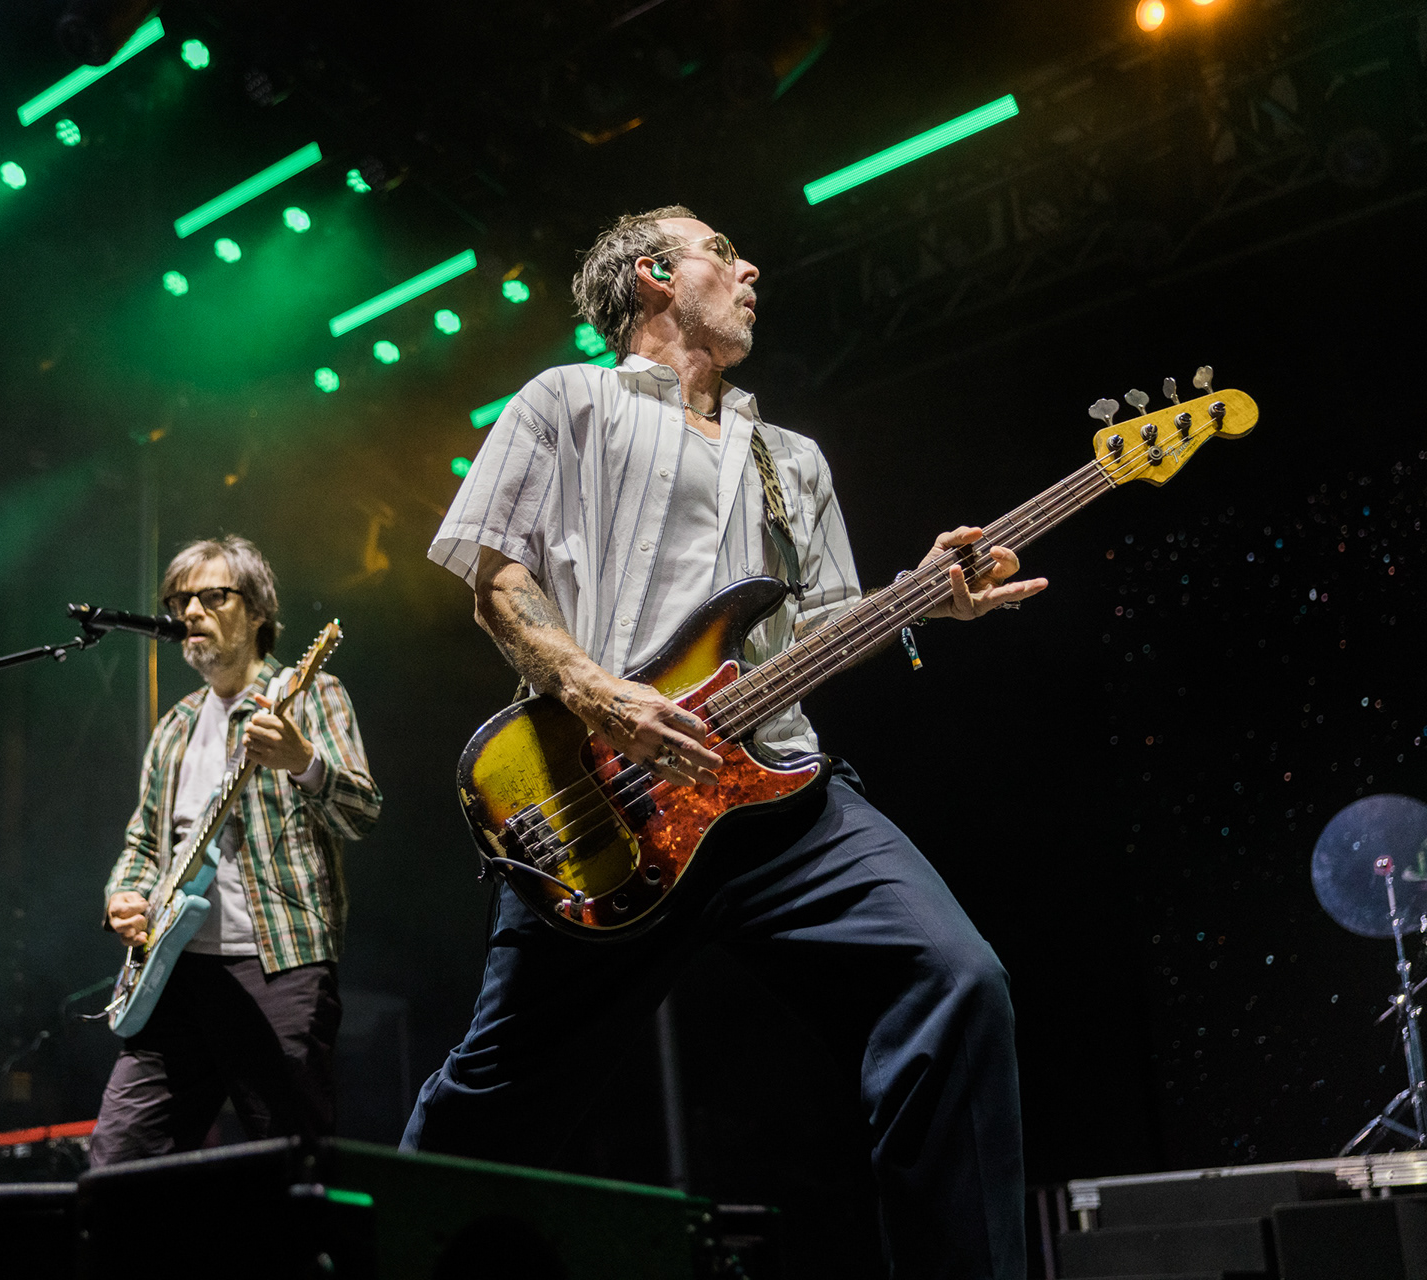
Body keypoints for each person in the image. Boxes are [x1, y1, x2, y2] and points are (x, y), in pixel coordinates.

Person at [405, 206, 1045, 1279]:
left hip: (779, 794)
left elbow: (820, 630)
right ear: (655, 273)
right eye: (723, 253)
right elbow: (496, 580)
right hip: (604, 799)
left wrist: (921, 597)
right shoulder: (566, 401)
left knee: (958, 980)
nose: (752, 270)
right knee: (493, 1101)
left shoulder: (790, 458)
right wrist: (602, 696)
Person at [90, 535, 382, 1166]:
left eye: (213, 597)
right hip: (172, 972)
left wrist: (303, 761)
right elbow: (143, 841)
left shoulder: (312, 694)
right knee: (117, 1163)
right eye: (179, 601)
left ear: (257, 611)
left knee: (293, 1165)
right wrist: (125, 894)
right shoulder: (174, 725)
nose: (191, 612)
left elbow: (361, 812)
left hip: (278, 965)